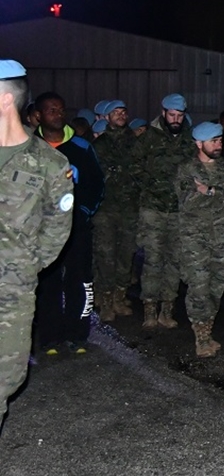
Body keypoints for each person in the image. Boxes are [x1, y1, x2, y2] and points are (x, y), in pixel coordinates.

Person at [0, 60, 73, 432]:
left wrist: (23, 266)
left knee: (5, 379)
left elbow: (58, 227)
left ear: (4, 99)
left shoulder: (49, 164)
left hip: (11, 294)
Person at [33, 92, 105, 355]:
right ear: (38, 115)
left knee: (80, 280)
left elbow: (96, 184)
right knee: (47, 282)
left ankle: (78, 334)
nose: (58, 114)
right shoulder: (30, 148)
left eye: (61, 109)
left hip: (76, 228)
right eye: (51, 110)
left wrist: (84, 210)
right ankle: (50, 336)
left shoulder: (82, 148)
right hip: (40, 230)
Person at [177, 122, 224, 357]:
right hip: (194, 238)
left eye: (219, 140)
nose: (218, 145)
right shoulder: (187, 169)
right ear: (199, 143)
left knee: (217, 286)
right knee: (199, 286)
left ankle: (208, 329)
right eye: (213, 141)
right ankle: (201, 337)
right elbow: (187, 200)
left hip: (222, 236)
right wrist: (219, 191)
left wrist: (209, 190)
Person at [132, 93, 195, 330]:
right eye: (172, 115)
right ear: (163, 112)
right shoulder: (149, 137)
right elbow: (134, 165)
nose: (176, 119)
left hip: (180, 210)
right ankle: (149, 308)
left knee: (175, 260)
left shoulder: (191, 139)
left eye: (180, 115)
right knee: (153, 259)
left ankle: (167, 309)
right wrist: (150, 186)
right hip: (153, 209)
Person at [92, 99, 139, 321]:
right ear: (107, 117)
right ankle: (106, 301)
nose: (120, 115)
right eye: (116, 112)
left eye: (123, 111)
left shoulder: (136, 142)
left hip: (129, 207)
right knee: (105, 255)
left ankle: (120, 298)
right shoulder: (100, 145)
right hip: (105, 209)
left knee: (126, 254)